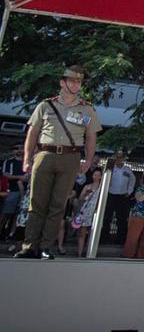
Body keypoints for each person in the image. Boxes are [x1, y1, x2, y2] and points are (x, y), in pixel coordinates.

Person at [16, 65, 99, 260]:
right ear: (62, 83)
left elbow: (91, 137)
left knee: (58, 204)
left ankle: (46, 247)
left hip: (70, 157)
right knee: (36, 202)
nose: (75, 84)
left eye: (78, 81)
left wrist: (87, 159)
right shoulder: (46, 105)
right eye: (71, 81)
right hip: (45, 154)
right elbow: (33, 133)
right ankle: (29, 246)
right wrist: (27, 158)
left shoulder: (87, 108)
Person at [102, 149, 136, 245]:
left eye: (121, 157)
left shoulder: (127, 170)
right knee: (106, 218)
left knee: (121, 218)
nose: (119, 159)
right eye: (117, 157)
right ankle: (104, 238)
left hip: (122, 196)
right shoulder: (110, 168)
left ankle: (121, 239)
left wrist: (129, 192)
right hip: (111, 195)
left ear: (123, 159)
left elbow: (132, 181)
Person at [122, 171, 144, 259]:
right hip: (137, 217)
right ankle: (127, 256)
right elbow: (139, 199)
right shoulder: (140, 189)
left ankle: (142, 258)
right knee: (132, 238)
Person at [74, 168, 102, 257]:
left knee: (92, 233)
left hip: (96, 212)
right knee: (82, 233)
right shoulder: (87, 186)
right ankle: (79, 253)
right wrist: (86, 193)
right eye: (95, 175)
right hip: (86, 211)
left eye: (98, 175)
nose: (96, 177)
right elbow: (80, 199)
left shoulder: (102, 188)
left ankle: (90, 252)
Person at [1, 145, 26, 238]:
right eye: (16, 149)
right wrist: (19, 177)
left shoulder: (27, 162)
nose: (19, 151)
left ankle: (12, 233)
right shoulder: (9, 162)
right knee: (6, 212)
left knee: (18, 214)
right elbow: (6, 174)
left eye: (21, 148)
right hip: (12, 190)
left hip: (26, 191)